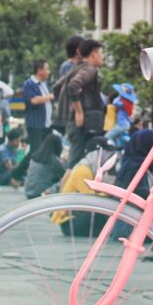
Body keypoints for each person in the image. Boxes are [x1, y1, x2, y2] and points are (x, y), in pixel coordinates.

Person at [65, 40, 106, 168]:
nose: (102, 57)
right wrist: (79, 111)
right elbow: (73, 85)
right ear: (93, 54)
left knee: (77, 159)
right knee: (77, 161)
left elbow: (60, 87)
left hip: (80, 123)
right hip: (84, 123)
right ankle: (65, 188)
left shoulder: (77, 68)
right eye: (101, 53)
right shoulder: (90, 69)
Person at [22, 59, 55, 159]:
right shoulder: (29, 84)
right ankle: (21, 172)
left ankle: (18, 172)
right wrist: (50, 96)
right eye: (47, 69)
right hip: (35, 123)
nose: (49, 72)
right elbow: (34, 101)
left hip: (47, 123)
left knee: (44, 150)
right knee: (36, 150)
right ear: (40, 70)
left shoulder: (45, 84)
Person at [24, 133, 65, 200]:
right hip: (41, 193)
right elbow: (64, 175)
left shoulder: (35, 156)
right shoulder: (53, 160)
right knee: (64, 179)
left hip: (28, 191)